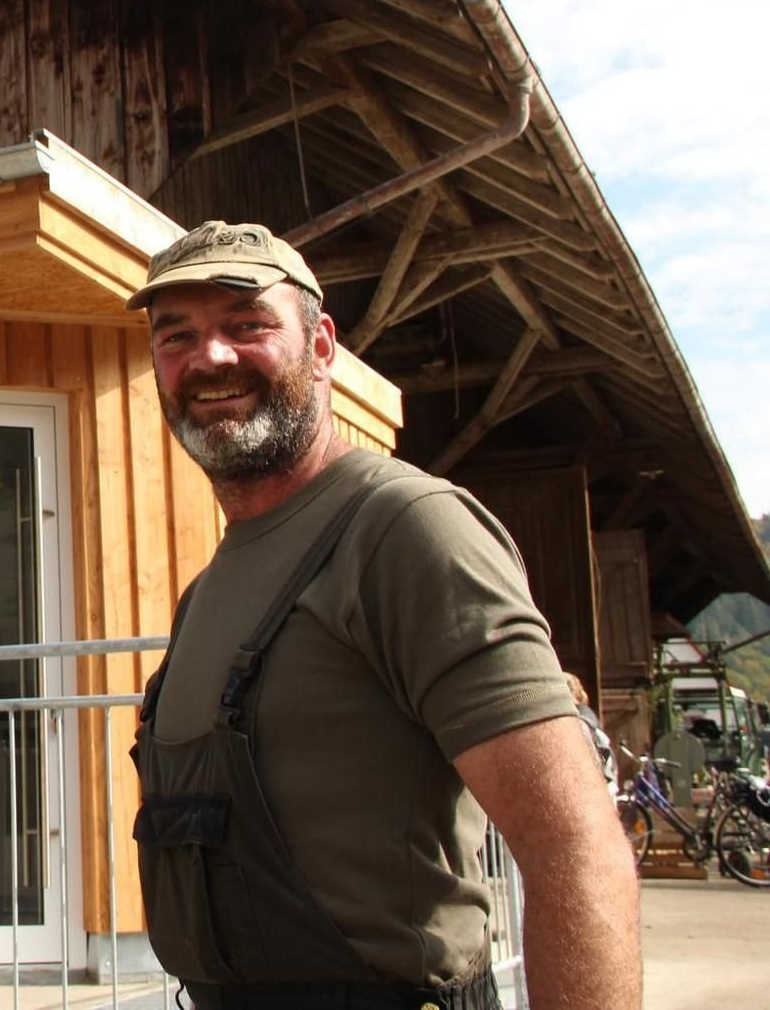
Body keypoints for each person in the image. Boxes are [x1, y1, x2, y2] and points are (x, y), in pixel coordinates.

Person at [125, 220, 639, 1010]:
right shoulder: (209, 589)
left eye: (246, 324)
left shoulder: (404, 528)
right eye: (176, 336)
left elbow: (573, 842)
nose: (210, 358)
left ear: (322, 346)